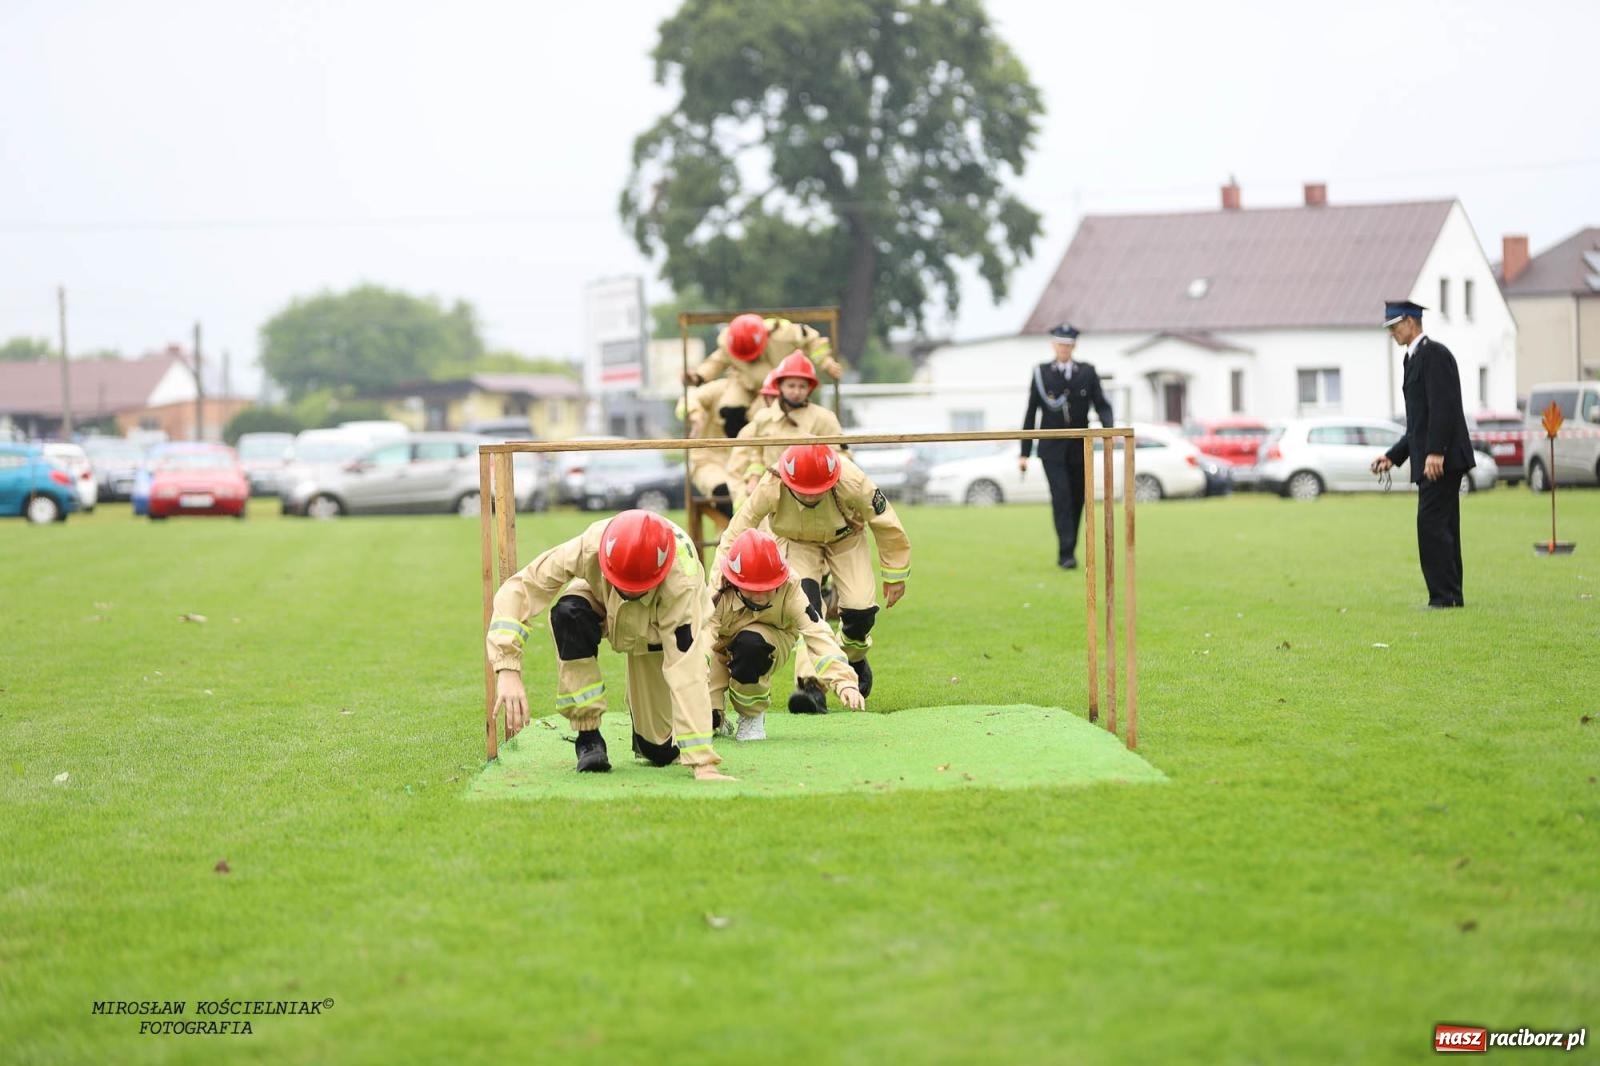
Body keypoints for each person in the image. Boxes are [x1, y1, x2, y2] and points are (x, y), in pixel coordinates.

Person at [486, 509, 735, 780]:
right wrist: (507, 667)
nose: (628, 593)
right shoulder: (591, 545)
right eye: (624, 586)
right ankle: (588, 736)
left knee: (659, 752)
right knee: (569, 614)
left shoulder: (681, 583)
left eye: (635, 589)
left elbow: (686, 668)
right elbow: (524, 586)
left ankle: (651, 736)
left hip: (655, 631)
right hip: (601, 598)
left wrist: (702, 762)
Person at [716, 443, 911, 714]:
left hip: (846, 538)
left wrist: (895, 573)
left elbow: (883, 519)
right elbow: (739, 527)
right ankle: (811, 687)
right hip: (796, 542)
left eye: (817, 490)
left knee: (860, 612)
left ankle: (853, 657)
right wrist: (719, 579)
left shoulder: (852, 479)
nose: (809, 496)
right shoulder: (772, 483)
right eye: (802, 491)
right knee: (809, 609)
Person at [708, 528, 866, 742]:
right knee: (706, 720)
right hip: (719, 644)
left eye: (767, 588)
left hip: (770, 638)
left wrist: (845, 681)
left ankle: (751, 716)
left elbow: (816, 632)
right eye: (751, 588)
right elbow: (700, 642)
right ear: (734, 582)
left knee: (750, 645)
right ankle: (717, 717)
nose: (760, 596)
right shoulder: (717, 592)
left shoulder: (790, 586)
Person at [1369, 300, 1474, 608]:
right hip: (1432, 458)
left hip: (1441, 461)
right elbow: (1418, 423)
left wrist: (1436, 452)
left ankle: (1444, 597)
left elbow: (1444, 407)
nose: (1391, 333)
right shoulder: (1412, 359)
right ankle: (1449, 596)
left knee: (1432, 526)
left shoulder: (1435, 355)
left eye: (1394, 327)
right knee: (1441, 526)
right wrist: (1393, 456)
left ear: (1410, 322)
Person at [1019, 322, 1114, 569]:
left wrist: (1109, 430)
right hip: (1051, 449)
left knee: (1077, 498)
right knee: (1061, 496)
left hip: (1080, 448)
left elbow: (1101, 404)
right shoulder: (1041, 373)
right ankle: (1066, 553)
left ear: (1074, 347)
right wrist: (1024, 452)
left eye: (1068, 345)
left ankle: (1070, 548)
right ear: (1054, 345)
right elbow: (1031, 412)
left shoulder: (1087, 372)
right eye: (1060, 344)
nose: (1064, 349)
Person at [683, 314, 843, 437]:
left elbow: (812, 341)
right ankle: (740, 450)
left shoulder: (784, 335)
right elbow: (716, 361)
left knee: (764, 418)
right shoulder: (728, 343)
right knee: (730, 411)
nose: (749, 359)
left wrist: (827, 363)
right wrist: (698, 376)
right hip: (744, 383)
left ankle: (760, 447)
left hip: (777, 387)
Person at [728, 352, 846, 501]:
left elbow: (841, 457)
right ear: (779, 386)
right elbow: (756, 455)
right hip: (773, 494)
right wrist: (753, 479)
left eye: (802, 386)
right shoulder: (763, 418)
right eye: (791, 386)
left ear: (809, 388)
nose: (796, 392)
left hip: (812, 494)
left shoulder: (825, 419)